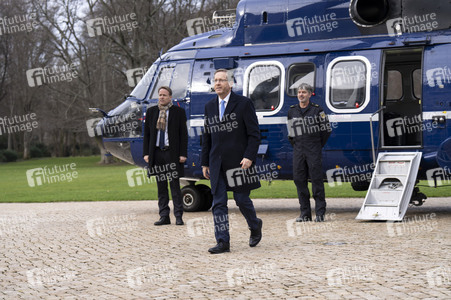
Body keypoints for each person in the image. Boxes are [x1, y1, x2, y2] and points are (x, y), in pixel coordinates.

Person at [202, 69, 262, 254]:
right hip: (216, 163)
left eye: (222, 80)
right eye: (216, 80)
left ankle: (255, 225)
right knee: (218, 203)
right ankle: (222, 242)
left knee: (242, 199)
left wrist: (249, 157)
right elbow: (207, 137)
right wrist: (205, 162)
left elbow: (254, 134)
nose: (218, 83)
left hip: (240, 163)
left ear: (230, 84)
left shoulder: (243, 104)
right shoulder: (209, 106)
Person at [143, 86, 188, 226]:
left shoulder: (178, 112)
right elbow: (147, 135)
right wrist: (146, 153)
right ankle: (164, 216)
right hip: (156, 153)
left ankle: (178, 216)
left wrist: (183, 154)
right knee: (161, 187)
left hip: (172, 153)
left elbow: (183, 135)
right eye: (160, 95)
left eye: (164, 95)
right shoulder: (151, 112)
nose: (161, 97)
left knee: (174, 186)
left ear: (170, 97)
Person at [287, 83, 331, 222]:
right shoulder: (292, 111)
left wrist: (317, 145)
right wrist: (297, 145)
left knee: (316, 180)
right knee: (299, 180)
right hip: (298, 150)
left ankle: (319, 213)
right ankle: (305, 214)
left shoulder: (318, 110)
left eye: (304, 92)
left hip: (313, 150)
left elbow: (326, 131)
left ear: (310, 94)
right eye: (299, 92)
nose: (301, 94)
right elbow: (291, 133)